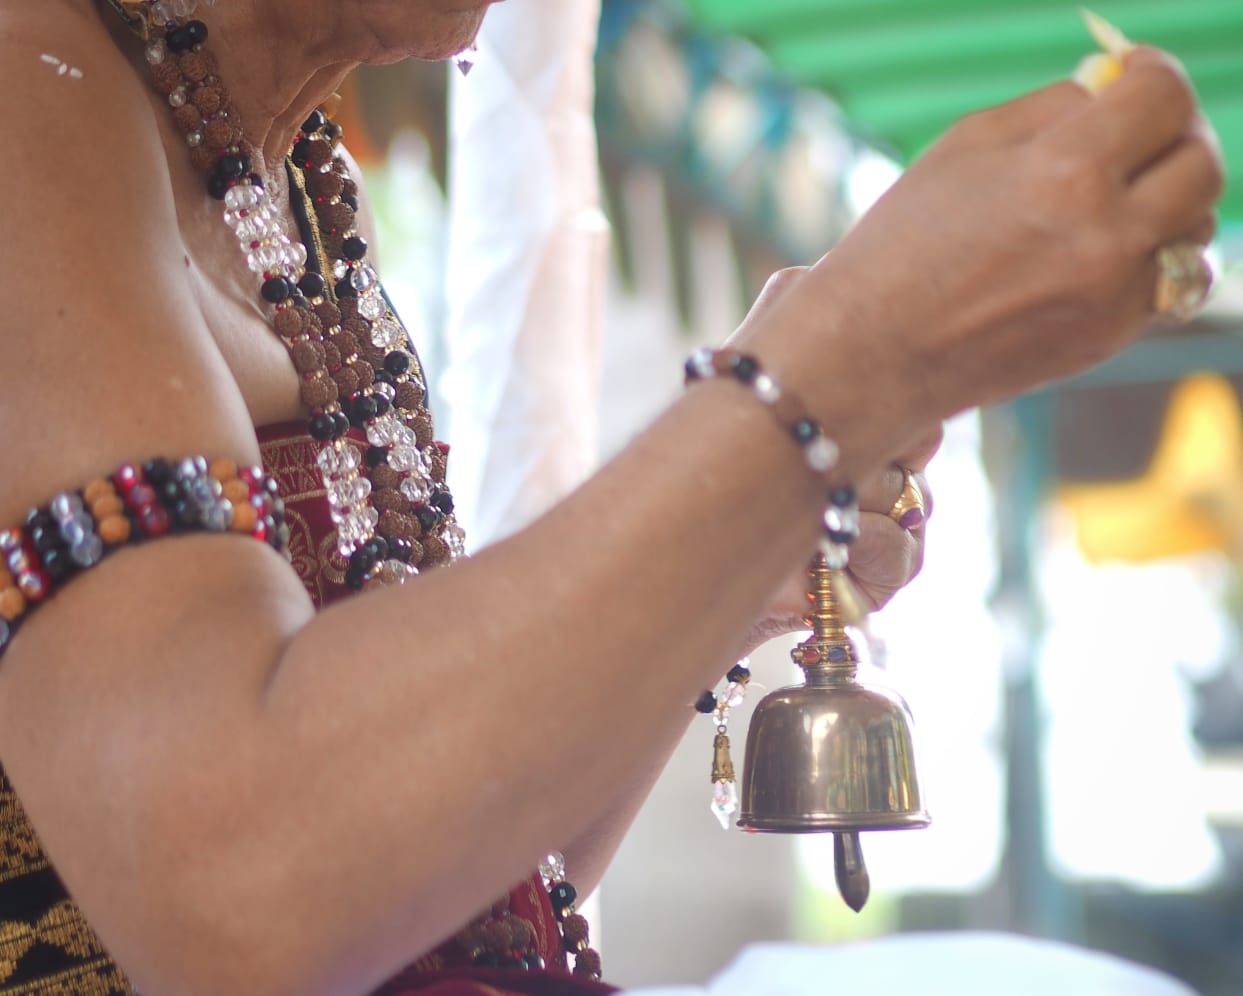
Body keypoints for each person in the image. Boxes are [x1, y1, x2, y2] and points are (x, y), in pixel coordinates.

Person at [0, 0, 1222, 994]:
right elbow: (238, 897)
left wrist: (746, 551)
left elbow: (456, 890)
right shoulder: (28, 86)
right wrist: (832, 370)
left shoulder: (299, 198)